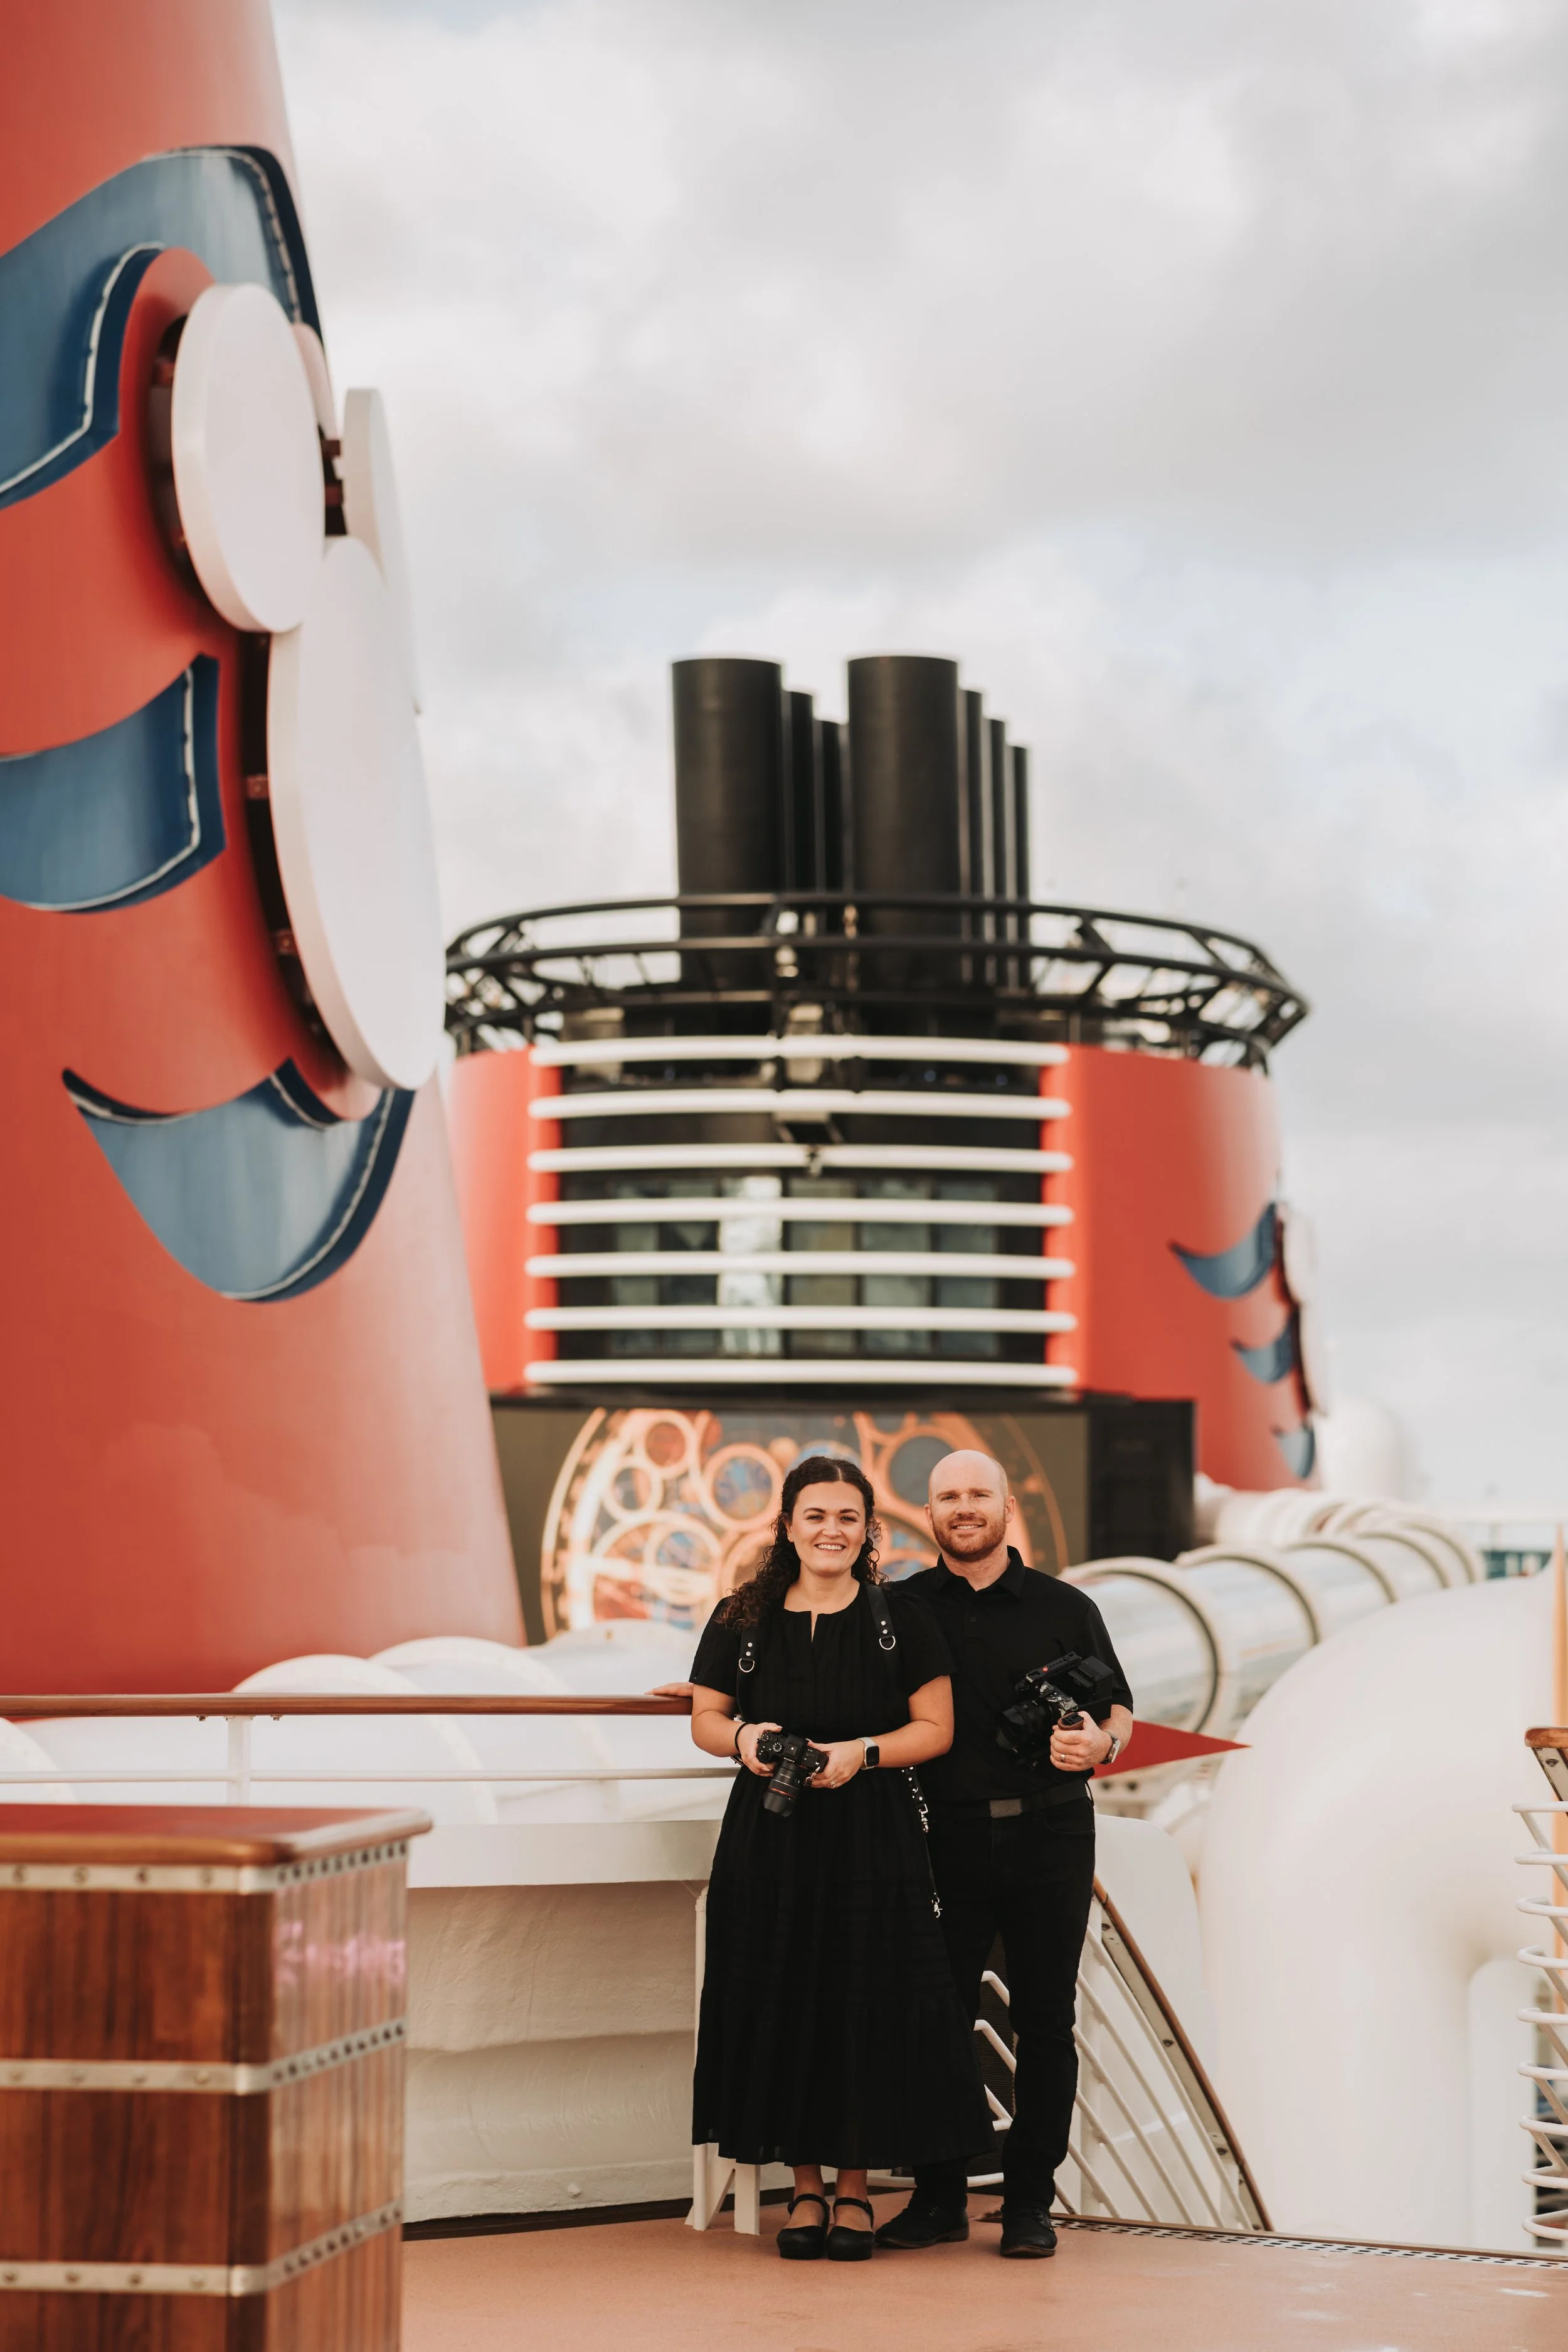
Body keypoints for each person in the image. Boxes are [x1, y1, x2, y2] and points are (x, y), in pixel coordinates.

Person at [686, 1454, 993, 2262]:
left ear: (867, 1530)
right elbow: (707, 1719)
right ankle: (806, 2188)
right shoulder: (740, 1617)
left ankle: (853, 2189)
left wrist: (864, 1752)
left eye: (848, 1517)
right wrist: (746, 1738)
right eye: (816, 1516)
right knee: (784, 1996)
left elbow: (936, 1730)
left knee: (864, 2000)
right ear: (788, 1526)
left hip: (872, 1834)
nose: (832, 1530)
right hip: (770, 1833)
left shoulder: (901, 1618)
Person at [876, 1449, 1134, 2261]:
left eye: (977, 1494)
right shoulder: (900, 1606)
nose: (964, 1507)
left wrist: (1100, 1744)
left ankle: (1028, 2204)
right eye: (948, 1496)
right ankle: (939, 2199)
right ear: (930, 1512)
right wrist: (722, 1696)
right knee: (936, 2020)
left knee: (1046, 2023)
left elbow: (1119, 1709)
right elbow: (828, 1676)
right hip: (943, 1835)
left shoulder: (1067, 1605)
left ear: (1006, 1505)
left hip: (1052, 1834)